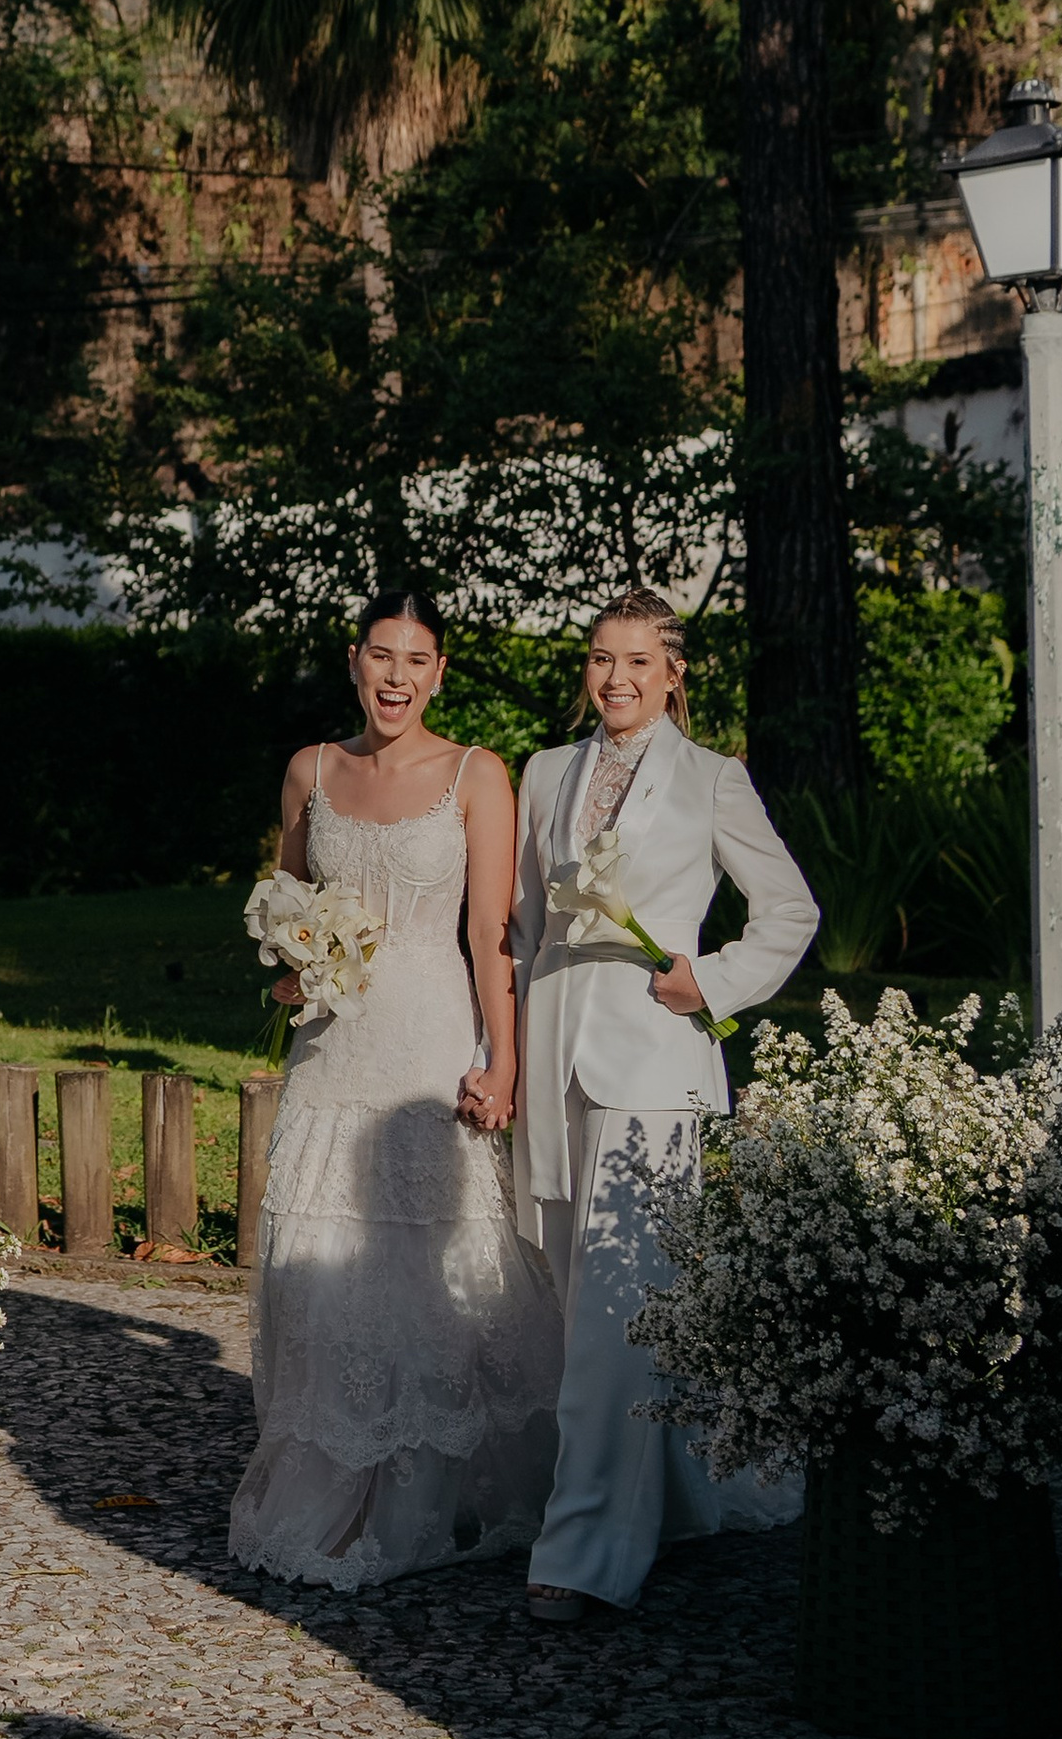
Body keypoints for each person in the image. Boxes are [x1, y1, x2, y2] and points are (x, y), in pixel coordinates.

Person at [231, 588, 565, 1591]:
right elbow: (287, 900)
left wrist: (501, 1061)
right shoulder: (310, 769)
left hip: (429, 1028)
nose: (396, 677)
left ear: (439, 673)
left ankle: (437, 1486)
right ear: (353, 659)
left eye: (417, 661)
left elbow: (490, 932)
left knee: (433, 1256)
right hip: (335, 1037)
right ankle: (338, 1474)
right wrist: (293, 965)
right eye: (382, 656)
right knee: (325, 1244)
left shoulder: (477, 774)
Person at [510, 587, 821, 1627]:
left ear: (673, 671)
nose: (617, 678)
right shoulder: (544, 773)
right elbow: (519, 927)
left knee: (614, 1315)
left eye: (638, 661)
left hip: (651, 1058)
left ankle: (588, 1547)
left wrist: (713, 980)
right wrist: (502, 1053)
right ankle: (683, 1491)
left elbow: (790, 909)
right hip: (552, 1051)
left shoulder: (711, 780)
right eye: (602, 658)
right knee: (573, 1296)